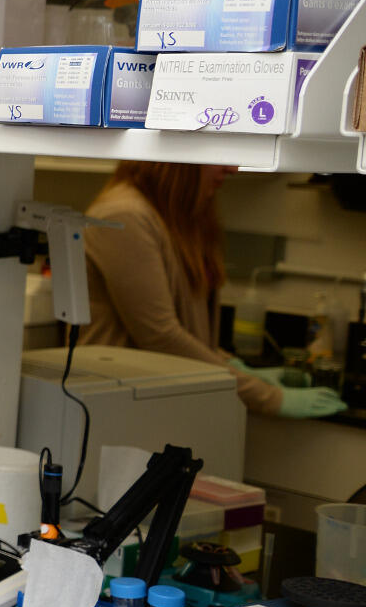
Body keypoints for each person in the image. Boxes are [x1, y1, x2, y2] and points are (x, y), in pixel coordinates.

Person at [84, 161, 344, 419]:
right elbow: (161, 336)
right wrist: (268, 397)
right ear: (178, 160)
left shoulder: (171, 214)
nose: (232, 168)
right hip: (119, 406)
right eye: (219, 155)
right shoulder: (123, 216)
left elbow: (187, 326)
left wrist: (231, 366)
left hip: (152, 401)